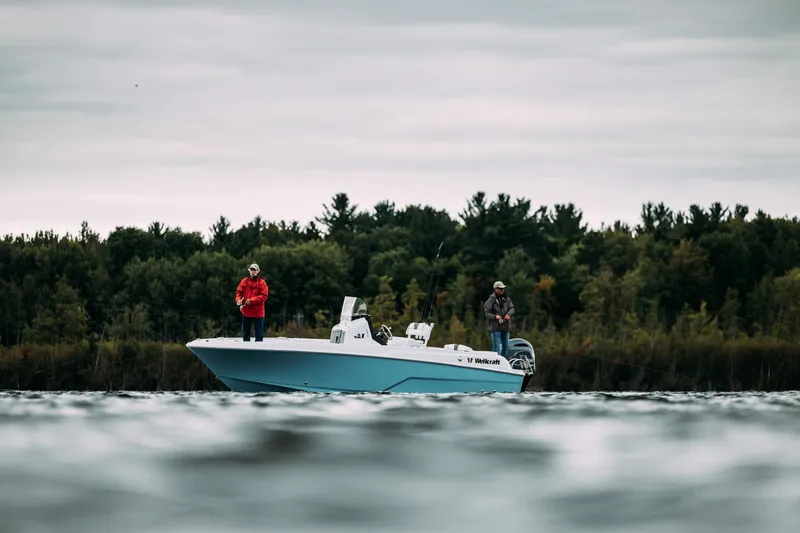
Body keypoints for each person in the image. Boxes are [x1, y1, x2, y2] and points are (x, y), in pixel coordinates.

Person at [235, 263, 269, 341]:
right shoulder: (244, 281)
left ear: (258, 271)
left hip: (258, 313)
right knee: (245, 334)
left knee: (259, 335)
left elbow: (264, 296)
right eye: (251, 270)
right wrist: (238, 300)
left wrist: (251, 300)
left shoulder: (262, 283)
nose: (253, 272)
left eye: (254, 270)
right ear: (249, 271)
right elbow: (238, 293)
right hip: (246, 312)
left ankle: (259, 352)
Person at [484, 281, 515, 358]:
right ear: (495, 289)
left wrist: (509, 314)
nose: (502, 290)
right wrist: (495, 316)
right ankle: (496, 363)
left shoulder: (507, 299)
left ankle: (503, 362)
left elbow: (512, 308)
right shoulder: (490, 300)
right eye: (500, 289)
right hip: (495, 327)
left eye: (503, 288)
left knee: (506, 347)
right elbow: (486, 313)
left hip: (505, 327)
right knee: (497, 348)